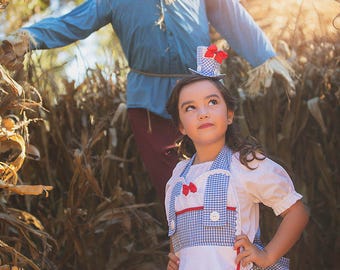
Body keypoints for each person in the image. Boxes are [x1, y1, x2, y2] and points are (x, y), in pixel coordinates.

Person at [0, 0, 295, 201]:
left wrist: (264, 58)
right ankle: (189, 253)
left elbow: (232, 15)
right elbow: (71, 23)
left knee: (224, 178)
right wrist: (28, 38)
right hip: (149, 104)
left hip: (202, 94)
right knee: (176, 190)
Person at [164, 46, 308, 269]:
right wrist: (175, 259)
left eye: (212, 102)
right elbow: (179, 237)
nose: (203, 112)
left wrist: (267, 255)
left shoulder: (245, 164)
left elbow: (297, 213)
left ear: (229, 114)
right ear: (181, 126)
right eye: (190, 107)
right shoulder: (177, 177)